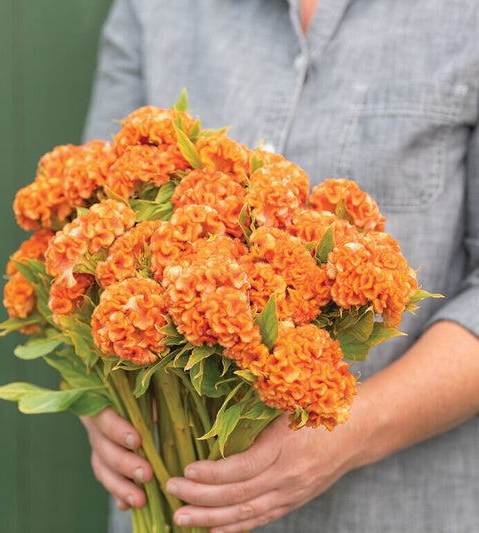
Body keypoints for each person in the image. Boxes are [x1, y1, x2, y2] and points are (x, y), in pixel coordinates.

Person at [80, 1, 479, 531]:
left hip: (391, 507)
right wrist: (106, 394)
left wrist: (350, 430)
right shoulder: (156, 8)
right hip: (167, 494)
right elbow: (87, 220)